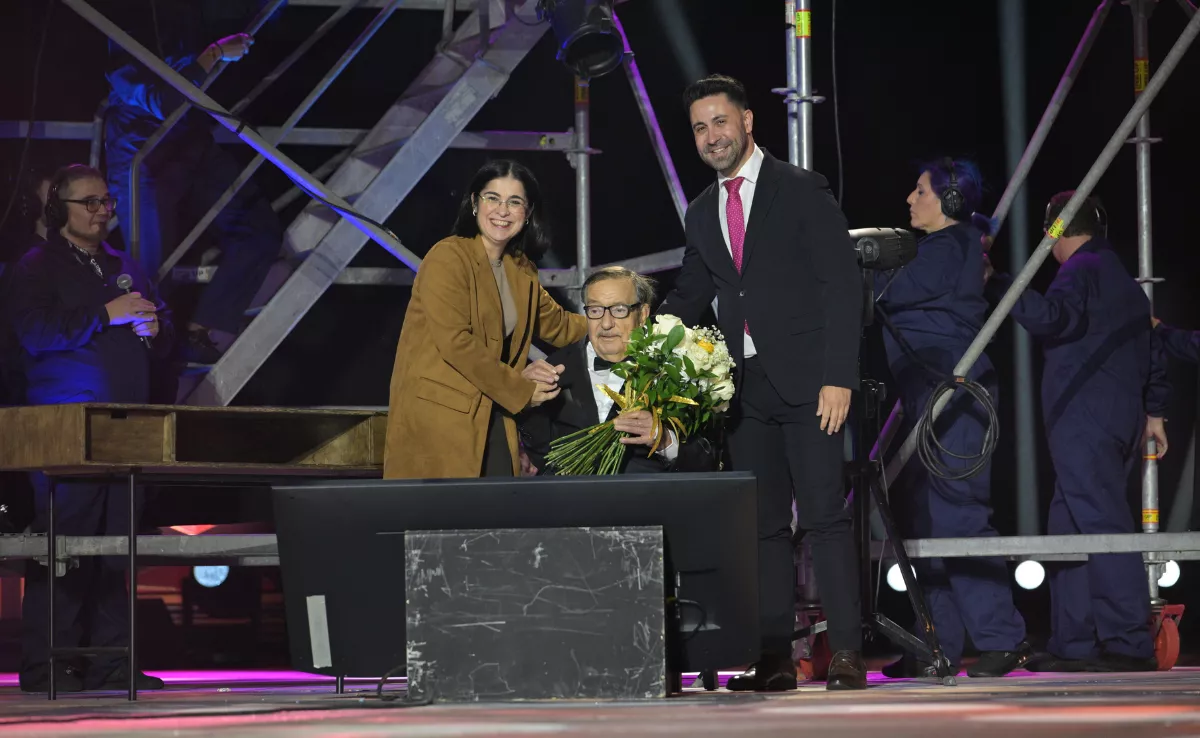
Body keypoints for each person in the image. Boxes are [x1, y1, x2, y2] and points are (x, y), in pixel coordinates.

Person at [658, 75, 865, 691]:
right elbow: (693, 292)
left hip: (809, 384)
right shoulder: (701, 211)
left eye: (719, 122)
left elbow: (841, 284)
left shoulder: (800, 189)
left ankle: (847, 654)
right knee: (765, 528)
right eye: (699, 127)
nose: (710, 136)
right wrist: (641, 339)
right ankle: (774, 658)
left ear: (748, 121)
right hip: (744, 392)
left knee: (825, 518)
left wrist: (839, 377)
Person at [985, 191, 1168, 672]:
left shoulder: (1081, 271)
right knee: (1068, 527)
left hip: (1085, 422)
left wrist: (1000, 285)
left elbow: (1053, 318)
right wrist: (1154, 411)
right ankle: (1075, 641)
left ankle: (1128, 642)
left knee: (1103, 526)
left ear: (1056, 231)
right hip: (1111, 420)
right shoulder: (1125, 282)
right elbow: (1153, 350)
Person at [8, 164, 173, 692]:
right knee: (65, 544)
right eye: (91, 203)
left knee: (116, 544)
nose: (104, 211)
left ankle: (112, 661)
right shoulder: (35, 267)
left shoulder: (127, 266)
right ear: (59, 211)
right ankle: (46, 663)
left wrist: (155, 327)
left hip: (126, 422)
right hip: (66, 425)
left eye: (107, 202)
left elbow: (163, 338)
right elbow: (35, 334)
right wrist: (107, 314)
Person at [873, 158, 1030, 678]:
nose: (910, 200)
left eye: (920, 191)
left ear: (951, 201)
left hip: (956, 394)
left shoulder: (951, 246)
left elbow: (889, 291)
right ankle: (931, 646)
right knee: (925, 519)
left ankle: (1001, 639)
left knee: (959, 512)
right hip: (929, 394)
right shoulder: (940, 248)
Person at [104, 0, 282, 364]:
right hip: (142, 149)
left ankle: (200, 328)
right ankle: (147, 361)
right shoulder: (122, 27)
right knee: (149, 268)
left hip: (189, 139)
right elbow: (162, 101)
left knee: (258, 230)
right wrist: (214, 54)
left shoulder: (183, 11)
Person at [384, 160, 588, 479]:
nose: (502, 210)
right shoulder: (448, 256)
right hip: (440, 422)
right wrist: (520, 388)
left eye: (514, 201)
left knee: (493, 520)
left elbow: (560, 326)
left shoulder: (521, 269)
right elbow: (456, 343)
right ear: (475, 203)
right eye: (492, 198)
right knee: (443, 522)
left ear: (528, 212)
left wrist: (622, 324)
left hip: (493, 412)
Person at [520, 266, 720, 475]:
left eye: (619, 310)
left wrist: (665, 441)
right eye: (595, 310)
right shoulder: (555, 369)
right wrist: (525, 403)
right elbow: (542, 456)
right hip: (574, 501)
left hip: (648, 502)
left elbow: (707, 458)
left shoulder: (675, 369)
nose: (606, 323)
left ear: (642, 314)